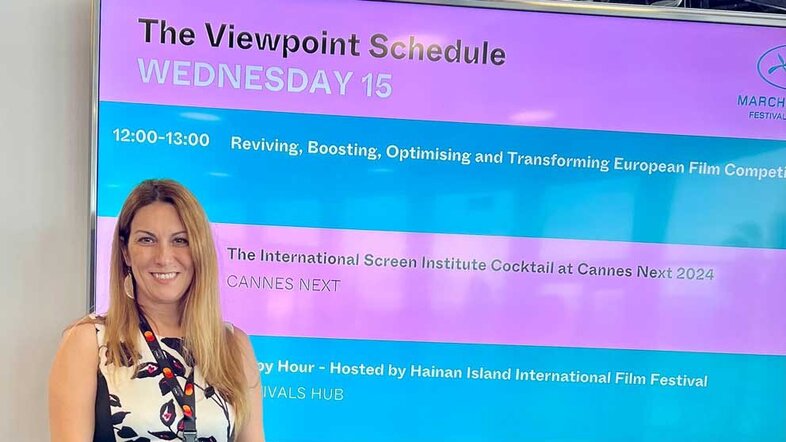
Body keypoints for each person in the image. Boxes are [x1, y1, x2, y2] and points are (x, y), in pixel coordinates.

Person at [48, 179, 264, 442]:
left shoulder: (232, 345)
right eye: (147, 240)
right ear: (126, 252)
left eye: (180, 240)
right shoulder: (89, 342)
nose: (163, 257)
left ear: (199, 251)